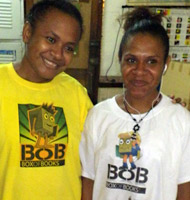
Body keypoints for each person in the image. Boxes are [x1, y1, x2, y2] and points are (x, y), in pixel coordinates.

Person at [80, 7, 190, 200]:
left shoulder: (181, 120)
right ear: (120, 60)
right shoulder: (98, 115)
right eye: (131, 60)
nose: (140, 71)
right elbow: (88, 183)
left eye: (151, 62)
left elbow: (184, 190)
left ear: (166, 64)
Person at [0, 0, 93, 200]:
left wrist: (161, 109)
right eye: (51, 39)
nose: (58, 54)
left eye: (69, 48)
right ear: (27, 33)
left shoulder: (75, 92)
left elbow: (95, 159)